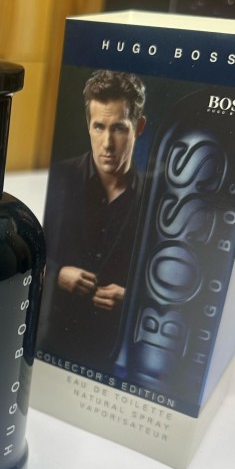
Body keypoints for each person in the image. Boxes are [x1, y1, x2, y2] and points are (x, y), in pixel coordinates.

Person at [39, 69, 147, 367]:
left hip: (115, 356)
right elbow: (24, 258)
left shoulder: (156, 199)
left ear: (139, 127)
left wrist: (131, 299)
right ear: (88, 125)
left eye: (119, 128)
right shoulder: (57, 178)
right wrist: (57, 275)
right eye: (99, 127)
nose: (107, 143)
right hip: (51, 344)